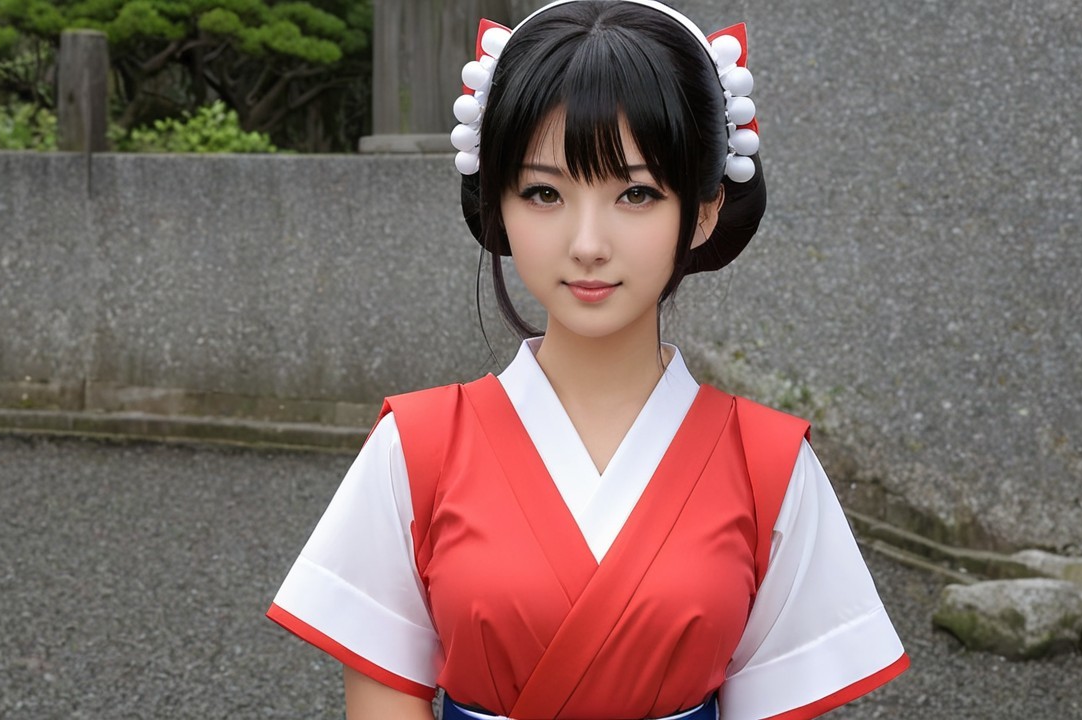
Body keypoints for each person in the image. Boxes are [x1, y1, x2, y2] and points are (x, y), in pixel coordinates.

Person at [268, 1, 909, 718]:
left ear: (701, 212)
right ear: (499, 205)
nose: (587, 243)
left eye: (636, 193)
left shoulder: (771, 467)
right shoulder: (415, 448)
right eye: (544, 192)